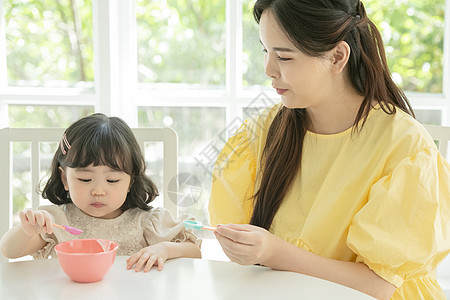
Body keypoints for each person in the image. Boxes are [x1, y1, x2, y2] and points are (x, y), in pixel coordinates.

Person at [208, 0, 450, 299]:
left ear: (337, 57)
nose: (269, 70)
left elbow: (379, 284)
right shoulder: (264, 130)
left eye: (284, 56)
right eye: (265, 51)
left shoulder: (404, 147)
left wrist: (274, 252)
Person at [0, 113, 201, 272]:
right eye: (85, 179)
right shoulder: (56, 222)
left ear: (131, 181)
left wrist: (164, 249)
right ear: (64, 179)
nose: (97, 190)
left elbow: (195, 253)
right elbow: (9, 251)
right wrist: (27, 231)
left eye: (112, 180)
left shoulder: (147, 222)